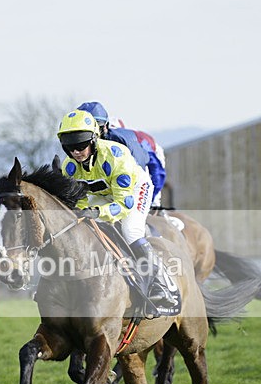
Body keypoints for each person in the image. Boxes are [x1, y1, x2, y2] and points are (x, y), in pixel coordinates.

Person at [56, 110, 178, 317]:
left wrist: (96, 212)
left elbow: (123, 203)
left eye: (81, 144)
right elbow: (81, 199)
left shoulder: (115, 156)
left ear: (94, 139)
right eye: (69, 146)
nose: (76, 151)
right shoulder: (69, 167)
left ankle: (165, 287)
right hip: (104, 193)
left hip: (133, 191)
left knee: (131, 230)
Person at [77, 101, 166, 207]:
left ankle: (157, 207)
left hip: (148, 153)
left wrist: (150, 200)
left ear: (104, 127)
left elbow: (154, 171)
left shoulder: (124, 141)